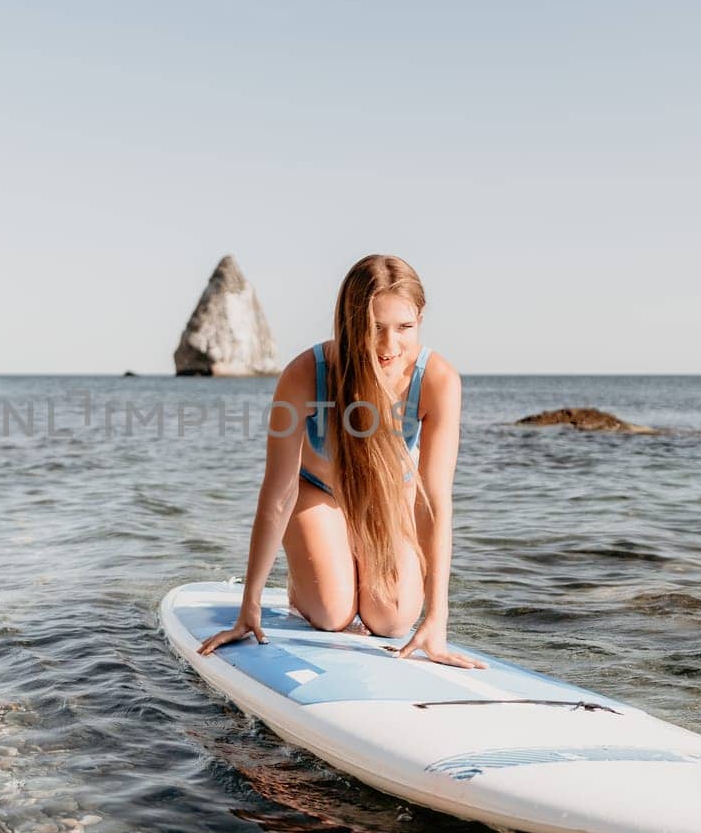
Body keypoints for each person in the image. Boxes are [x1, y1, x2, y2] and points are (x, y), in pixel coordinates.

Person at [196, 254, 485, 669]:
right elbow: (278, 492)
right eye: (374, 329)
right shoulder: (304, 376)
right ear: (350, 323)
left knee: (392, 620)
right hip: (319, 493)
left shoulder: (437, 382)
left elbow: (433, 503)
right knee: (333, 615)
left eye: (404, 328)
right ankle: (306, 585)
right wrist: (250, 605)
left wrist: (437, 620)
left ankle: (355, 564)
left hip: (388, 500)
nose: (389, 346)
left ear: (420, 317)